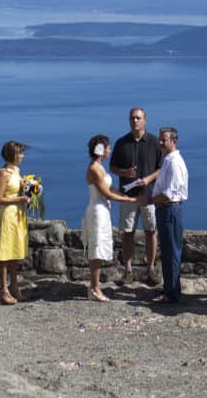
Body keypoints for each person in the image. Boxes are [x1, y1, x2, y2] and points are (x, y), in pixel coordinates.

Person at [135, 127, 189, 305]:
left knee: (171, 252)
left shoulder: (174, 162)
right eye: (160, 139)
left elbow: (169, 193)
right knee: (167, 251)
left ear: (174, 141)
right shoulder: (168, 160)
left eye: (164, 140)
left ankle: (172, 293)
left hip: (169, 209)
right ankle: (170, 287)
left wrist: (149, 199)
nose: (160, 142)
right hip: (165, 209)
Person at [109, 107, 162, 285]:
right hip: (128, 196)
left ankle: (151, 269)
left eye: (138, 118)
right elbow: (113, 167)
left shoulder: (155, 143)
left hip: (149, 195)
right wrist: (124, 172)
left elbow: (161, 168)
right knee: (127, 232)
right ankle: (128, 270)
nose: (135, 121)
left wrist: (147, 179)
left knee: (151, 231)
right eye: (132, 118)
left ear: (145, 120)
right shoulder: (121, 143)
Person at [81, 135, 136, 301]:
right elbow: (106, 194)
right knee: (97, 248)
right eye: (107, 148)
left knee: (100, 246)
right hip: (97, 210)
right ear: (100, 150)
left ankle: (95, 286)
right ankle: (95, 288)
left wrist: (125, 193)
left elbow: (110, 188)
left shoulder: (99, 167)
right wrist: (130, 200)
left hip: (103, 210)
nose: (110, 150)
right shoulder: (94, 169)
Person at [0, 140, 30, 305]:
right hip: (8, 214)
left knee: (14, 251)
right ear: (12, 155)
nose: (22, 156)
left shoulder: (16, 171)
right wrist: (20, 198)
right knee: (4, 253)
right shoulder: (3, 173)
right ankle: (3, 289)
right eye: (20, 153)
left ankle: (14, 286)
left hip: (18, 215)